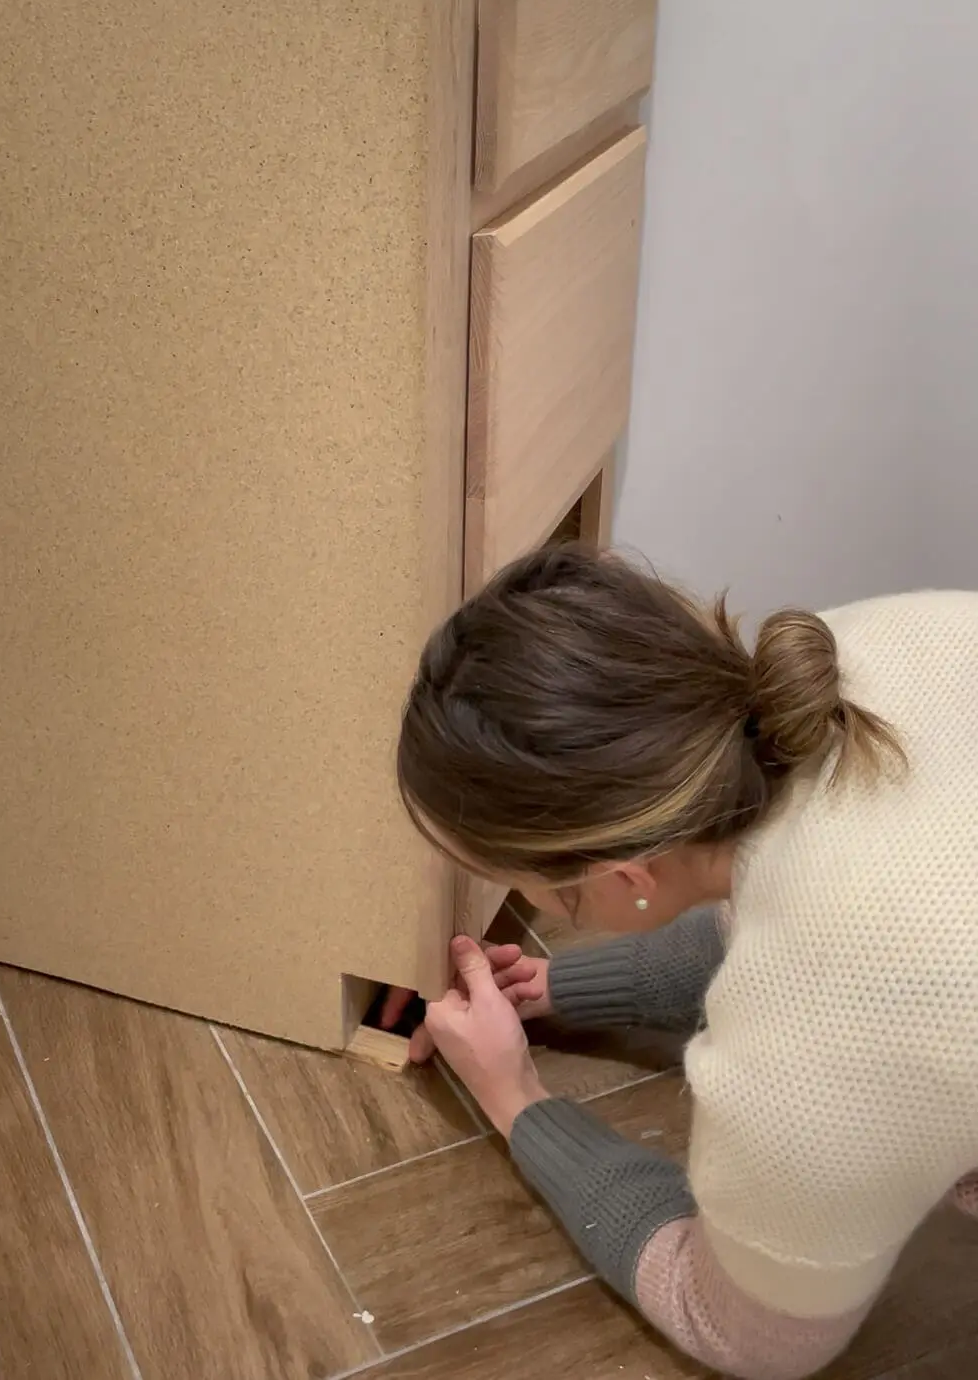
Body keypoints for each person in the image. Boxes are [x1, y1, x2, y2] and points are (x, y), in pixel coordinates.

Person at [393, 542, 978, 1380]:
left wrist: (515, 1098)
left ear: (623, 879)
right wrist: (561, 986)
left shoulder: (810, 1057)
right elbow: (818, 910)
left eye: (526, 890)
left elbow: (742, 1334)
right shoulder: (852, 654)